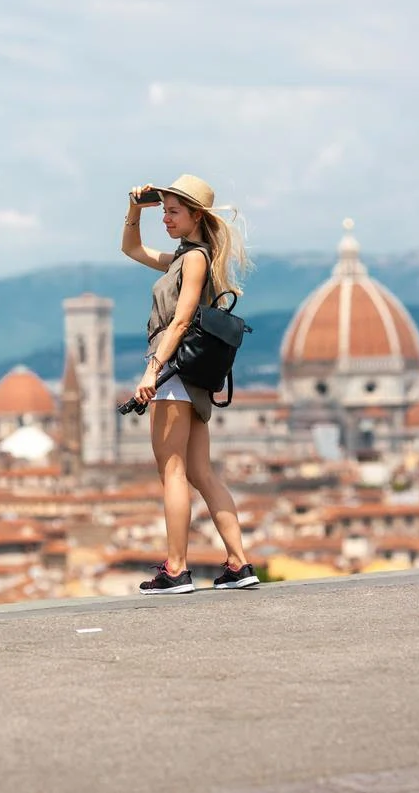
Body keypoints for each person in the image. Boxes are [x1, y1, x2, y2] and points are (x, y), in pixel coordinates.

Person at [121, 174, 258, 594]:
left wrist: (152, 370)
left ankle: (177, 568)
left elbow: (180, 321)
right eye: (164, 211)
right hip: (192, 377)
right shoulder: (186, 257)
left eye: (173, 212)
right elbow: (131, 249)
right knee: (201, 472)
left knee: (173, 471)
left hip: (173, 372)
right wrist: (134, 209)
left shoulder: (193, 259)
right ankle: (238, 563)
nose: (166, 218)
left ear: (196, 216)